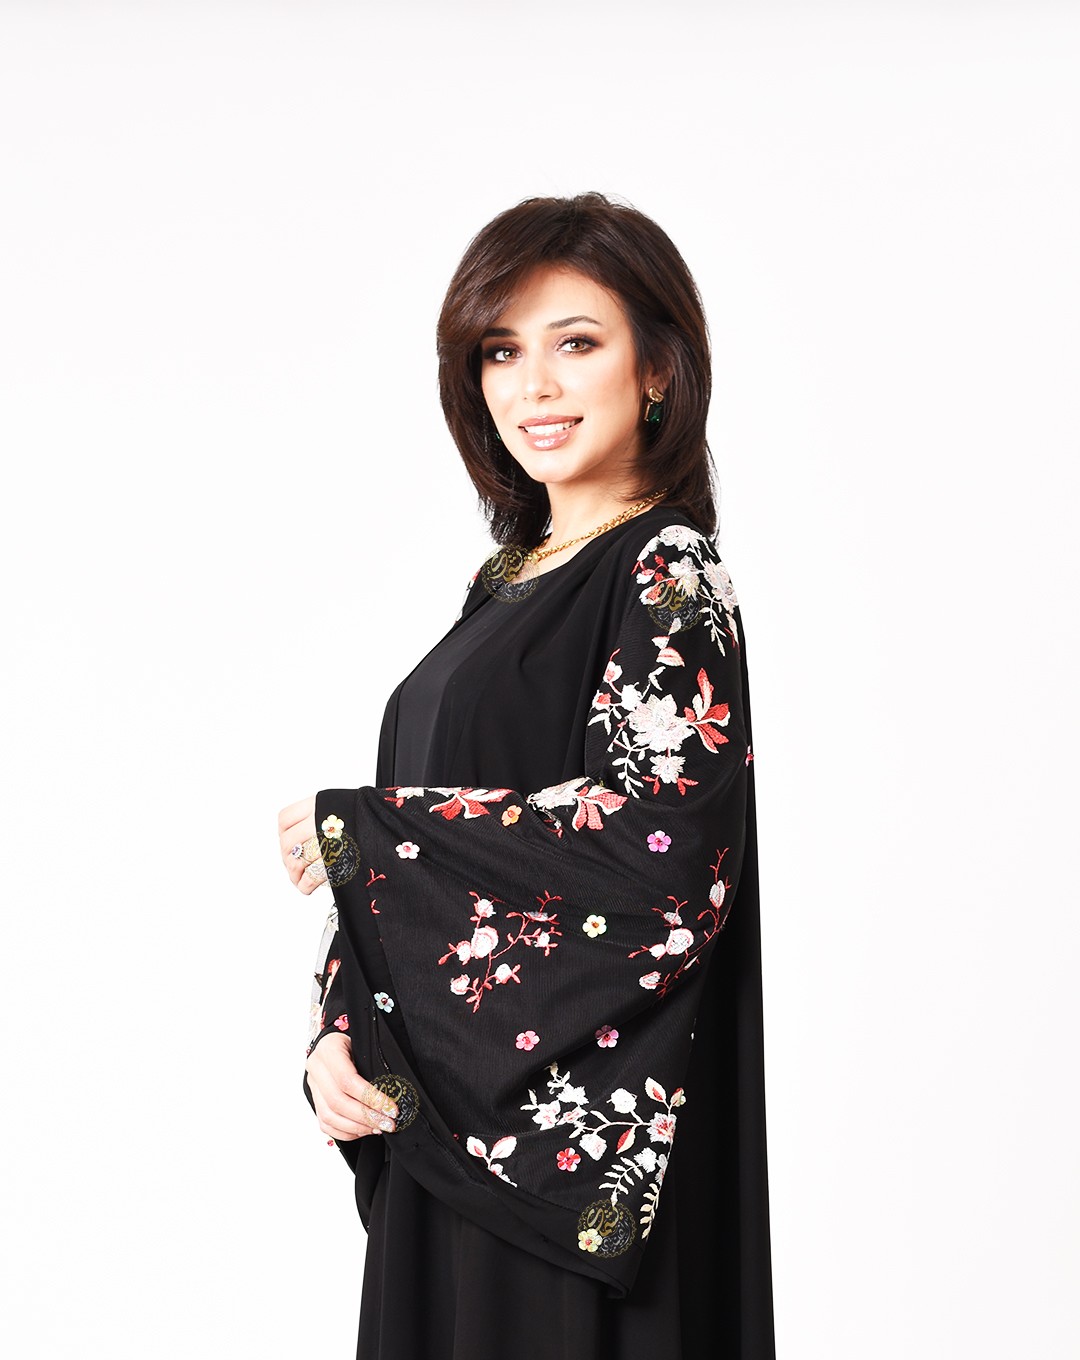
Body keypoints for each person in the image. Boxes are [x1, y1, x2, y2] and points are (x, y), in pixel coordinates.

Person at [277, 192, 776, 1360]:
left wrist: (374, 831)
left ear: (658, 368)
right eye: (501, 351)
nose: (534, 386)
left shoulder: (665, 570)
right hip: (454, 1128)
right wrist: (339, 1025)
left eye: (577, 342)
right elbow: (423, 840)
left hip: (572, 1161)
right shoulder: (505, 582)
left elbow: (662, 858)